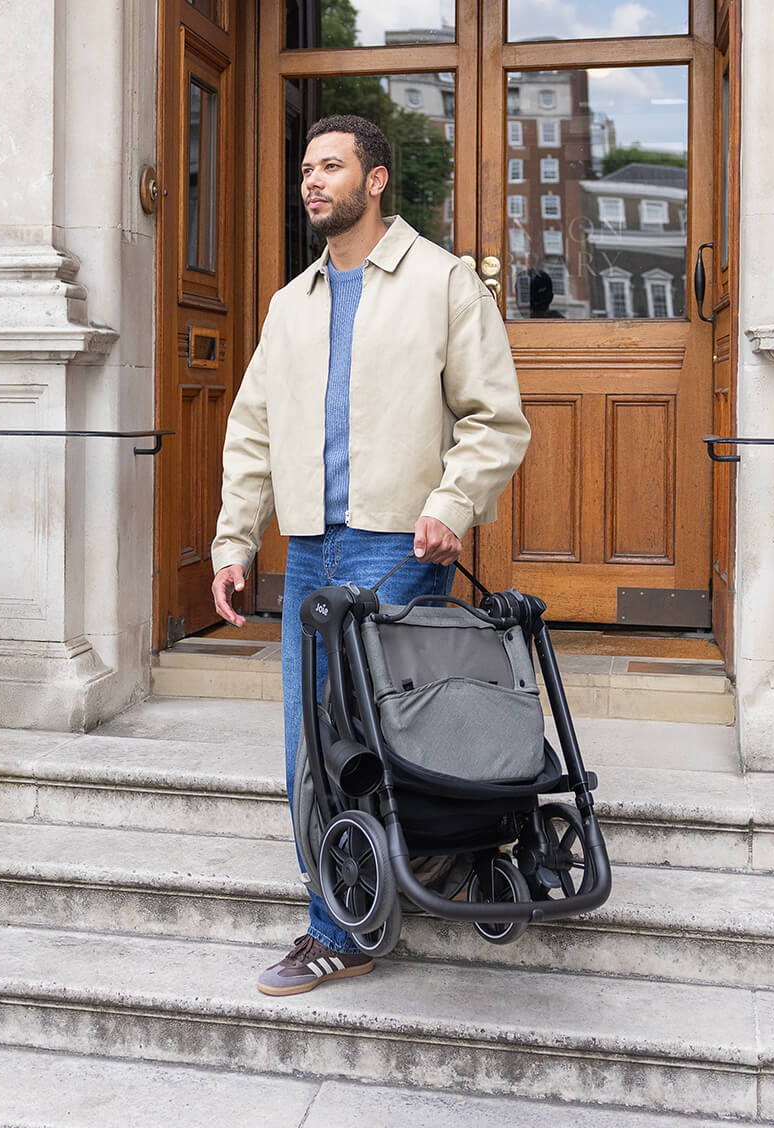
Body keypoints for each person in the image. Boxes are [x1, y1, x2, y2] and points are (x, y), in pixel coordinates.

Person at [210, 113, 530, 997]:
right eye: (306, 168)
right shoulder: (289, 305)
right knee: (312, 748)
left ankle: (451, 861)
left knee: (406, 732)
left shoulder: (443, 282)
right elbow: (252, 433)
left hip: (399, 545)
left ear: (376, 179)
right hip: (311, 548)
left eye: (332, 167)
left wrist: (449, 505)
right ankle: (338, 923)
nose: (312, 181)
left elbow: (495, 419)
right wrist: (236, 540)